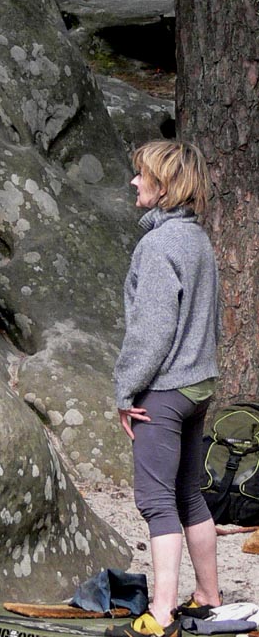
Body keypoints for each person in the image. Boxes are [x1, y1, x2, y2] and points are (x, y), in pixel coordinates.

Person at [107, 141, 222, 637]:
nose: (134, 182)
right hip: (199, 385)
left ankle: (163, 611)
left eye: (142, 176)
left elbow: (152, 332)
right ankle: (209, 596)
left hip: (166, 389)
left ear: (166, 186)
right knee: (188, 496)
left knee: (155, 502)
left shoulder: (157, 246)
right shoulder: (197, 239)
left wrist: (125, 391)